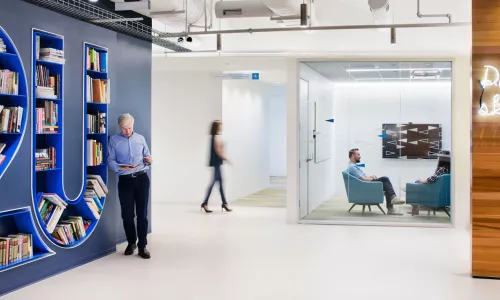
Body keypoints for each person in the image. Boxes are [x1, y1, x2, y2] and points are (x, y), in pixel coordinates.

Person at [108, 113, 152, 259]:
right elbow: (110, 160)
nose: (127, 131)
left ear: (133, 125)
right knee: (127, 215)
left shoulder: (140, 139)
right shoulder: (113, 140)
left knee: (142, 215)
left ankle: (142, 246)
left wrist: (149, 160)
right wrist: (121, 168)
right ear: (120, 127)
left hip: (142, 179)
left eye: (129, 128)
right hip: (125, 181)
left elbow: (148, 157)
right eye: (124, 128)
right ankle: (131, 243)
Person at [347, 148, 405, 215]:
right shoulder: (352, 167)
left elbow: (362, 178)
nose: (360, 156)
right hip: (365, 186)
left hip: (365, 184)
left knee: (386, 185)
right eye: (358, 154)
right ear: (353, 155)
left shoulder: (353, 166)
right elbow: (362, 179)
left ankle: (392, 203)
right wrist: (372, 179)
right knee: (385, 179)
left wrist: (370, 177)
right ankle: (392, 201)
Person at [201, 120, 232, 213]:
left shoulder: (213, 137)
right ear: (217, 127)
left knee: (220, 183)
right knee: (214, 183)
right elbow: (218, 151)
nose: (221, 127)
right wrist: (226, 158)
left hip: (216, 163)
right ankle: (205, 203)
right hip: (217, 163)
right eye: (220, 126)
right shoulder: (216, 138)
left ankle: (224, 203)